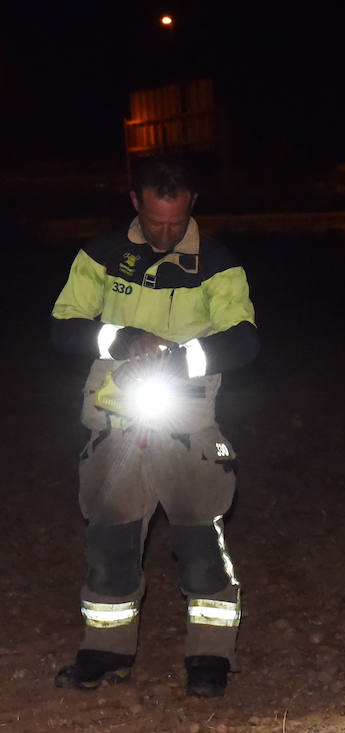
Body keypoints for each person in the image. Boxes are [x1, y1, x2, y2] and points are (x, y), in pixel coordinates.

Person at [50, 158, 259, 698]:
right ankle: (104, 652)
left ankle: (210, 658)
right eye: (156, 221)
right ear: (135, 202)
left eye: (178, 221)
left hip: (188, 426)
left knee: (199, 545)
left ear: (192, 203)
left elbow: (244, 340)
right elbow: (63, 326)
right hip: (113, 425)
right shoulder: (99, 255)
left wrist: (179, 357)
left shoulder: (217, 264)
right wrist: (120, 339)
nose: (167, 234)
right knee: (110, 545)